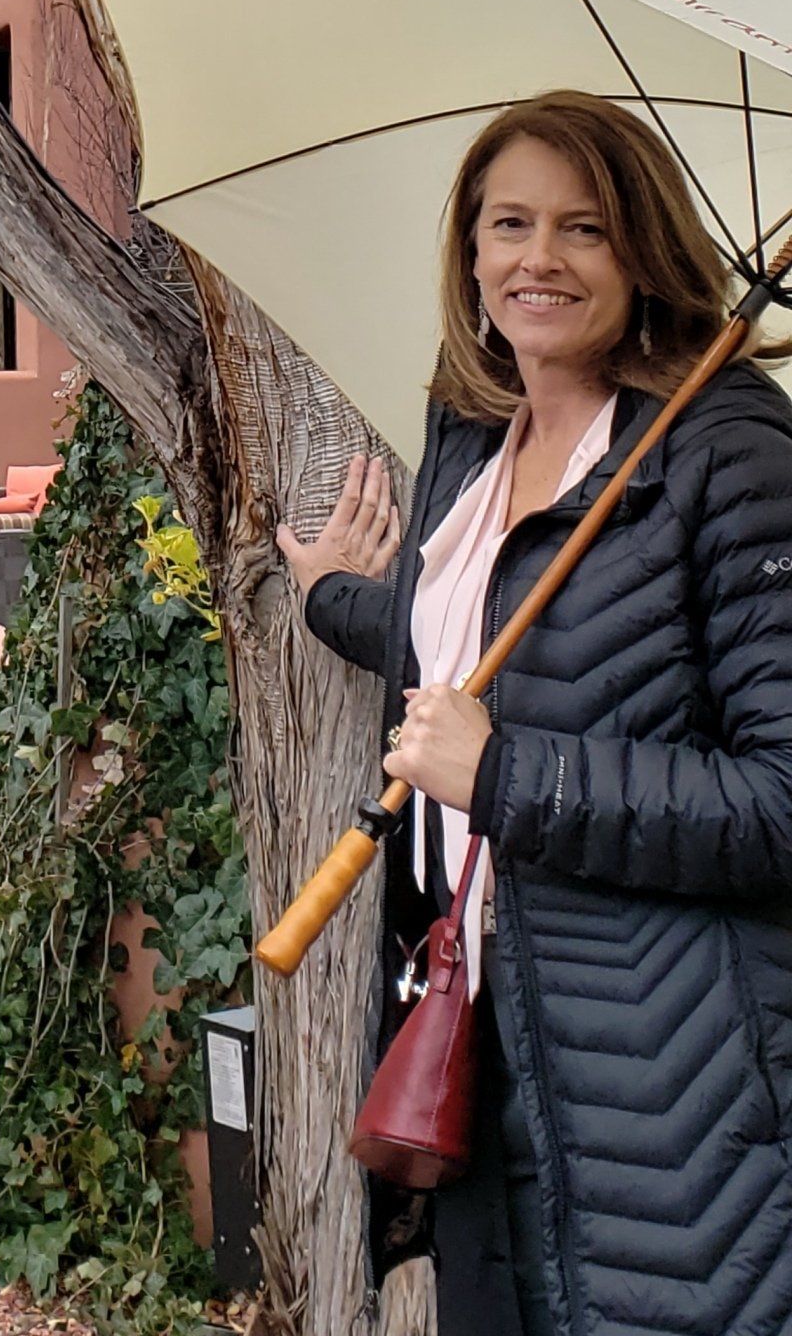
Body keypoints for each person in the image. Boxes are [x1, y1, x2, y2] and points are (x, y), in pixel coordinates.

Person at [276, 90, 792, 1336]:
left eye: (584, 228)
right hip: (477, 1041)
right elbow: (465, 645)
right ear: (468, 247)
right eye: (509, 222)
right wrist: (334, 598)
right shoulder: (472, 434)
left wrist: (511, 777)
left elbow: (780, 803)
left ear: (645, 251)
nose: (538, 259)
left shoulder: (731, 457)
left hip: (670, 1091)